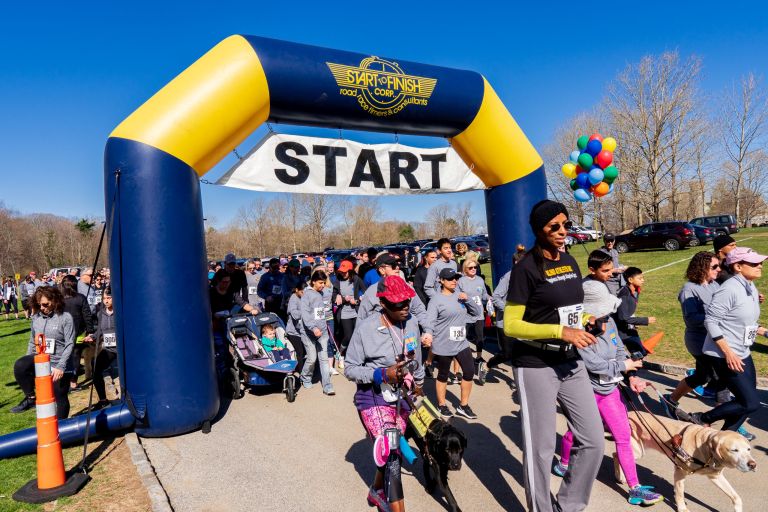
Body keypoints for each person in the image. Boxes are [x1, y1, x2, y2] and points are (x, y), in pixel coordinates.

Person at [503, 199, 604, 512]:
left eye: (566, 225)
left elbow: (568, 309)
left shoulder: (570, 261)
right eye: (554, 227)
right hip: (535, 364)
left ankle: (569, 505)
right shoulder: (525, 269)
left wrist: (586, 320)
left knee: (594, 440)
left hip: (570, 361)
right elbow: (511, 324)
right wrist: (561, 331)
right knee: (541, 449)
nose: (562, 232)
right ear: (539, 231)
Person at [553, 263, 663, 506]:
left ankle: (634, 488)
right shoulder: (577, 332)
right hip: (587, 392)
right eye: (601, 312)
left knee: (623, 435)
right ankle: (563, 462)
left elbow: (618, 350)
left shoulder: (610, 323)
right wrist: (624, 368)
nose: (605, 317)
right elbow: (594, 366)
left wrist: (631, 376)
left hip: (610, 391)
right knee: (577, 433)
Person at [344, 275, 427, 512]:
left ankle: (376, 491)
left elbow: (415, 358)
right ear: (383, 304)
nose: (405, 308)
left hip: (401, 398)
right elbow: (349, 368)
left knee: (391, 451)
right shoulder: (366, 329)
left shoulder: (411, 322)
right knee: (392, 457)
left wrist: (418, 384)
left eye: (407, 302)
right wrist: (381, 374)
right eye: (398, 304)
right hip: (373, 399)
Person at [685, 247, 767, 439]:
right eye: (754, 263)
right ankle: (701, 417)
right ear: (738, 266)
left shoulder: (749, 286)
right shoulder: (729, 289)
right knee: (751, 403)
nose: (760, 266)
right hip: (724, 354)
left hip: (743, 351)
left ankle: (723, 438)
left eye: (760, 262)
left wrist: (765, 332)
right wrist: (728, 353)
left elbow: (747, 322)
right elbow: (711, 321)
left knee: (747, 400)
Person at [662, 252, 728, 418]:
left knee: (702, 376)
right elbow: (691, 319)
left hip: (715, 339)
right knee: (721, 377)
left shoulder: (714, 285)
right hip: (700, 341)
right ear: (702, 268)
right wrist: (715, 318)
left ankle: (670, 399)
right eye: (714, 266)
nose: (719, 269)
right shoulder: (689, 289)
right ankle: (726, 418)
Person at [10, 286, 75, 418]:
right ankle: (31, 398)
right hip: (41, 360)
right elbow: (32, 341)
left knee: (59, 396)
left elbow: (70, 344)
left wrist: (60, 367)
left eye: (45, 304)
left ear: (55, 300)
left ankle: (61, 428)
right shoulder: (36, 318)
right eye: (39, 305)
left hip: (59, 364)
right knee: (20, 365)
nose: (42, 308)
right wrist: (29, 360)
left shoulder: (65, 317)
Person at [426, 267, 482, 419]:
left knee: (469, 371)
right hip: (444, 343)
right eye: (450, 279)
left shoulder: (460, 295)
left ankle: (463, 406)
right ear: (442, 281)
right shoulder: (436, 300)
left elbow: (477, 312)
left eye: (456, 278)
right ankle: (442, 404)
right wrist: (428, 334)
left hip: (461, 342)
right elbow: (429, 321)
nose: (454, 281)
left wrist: (468, 299)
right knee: (443, 374)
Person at [487, 244, 527, 372]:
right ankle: (488, 365)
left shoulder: (528, 277)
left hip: (523, 322)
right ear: (516, 262)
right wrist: (511, 310)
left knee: (523, 355)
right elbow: (495, 297)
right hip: (505, 323)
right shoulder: (508, 278)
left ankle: (521, 383)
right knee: (507, 354)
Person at [300, 270, 334, 395]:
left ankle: (327, 386)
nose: (322, 285)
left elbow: (321, 311)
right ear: (313, 281)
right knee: (312, 358)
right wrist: (313, 328)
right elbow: (305, 314)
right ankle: (305, 376)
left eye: (324, 283)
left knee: (324, 359)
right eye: (320, 283)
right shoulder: (307, 295)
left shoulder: (323, 292)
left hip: (323, 331)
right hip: (309, 332)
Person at [86, 286, 119, 409]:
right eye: (104, 298)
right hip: (109, 349)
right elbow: (99, 330)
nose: (106, 301)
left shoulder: (120, 311)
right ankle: (103, 400)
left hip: (123, 350)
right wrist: (93, 337)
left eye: (109, 297)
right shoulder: (101, 313)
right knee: (95, 366)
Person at [61, 275, 95, 390]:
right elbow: (87, 316)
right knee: (75, 355)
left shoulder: (61, 299)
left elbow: (87, 315)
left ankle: (69, 381)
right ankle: (72, 382)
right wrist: (90, 331)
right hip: (76, 332)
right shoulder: (80, 298)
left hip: (67, 332)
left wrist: (90, 331)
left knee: (69, 355)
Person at [613, 267, 656, 356]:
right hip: (621, 332)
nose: (643, 280)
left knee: (639, 353)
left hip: (628, 328)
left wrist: (633, 322)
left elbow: (628, 313)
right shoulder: (624, 295)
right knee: (638, 354)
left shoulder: (635, 291)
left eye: (643, 278)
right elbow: (623, 318)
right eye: (640, 278)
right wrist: (645, 320)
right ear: (630, 280)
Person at [332, 260, 364, 367]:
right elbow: (334, 296)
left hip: (356, 312)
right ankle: (340, 353)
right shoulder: (337, 281)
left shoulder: (356, 279)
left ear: (350, 271)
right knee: (348, 336)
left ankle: (354, 357)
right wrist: (339, 297)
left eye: (345, 272)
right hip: (344, 312)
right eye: (342, 271)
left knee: (357, 335)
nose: (343, 273)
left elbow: (366, 292)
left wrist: (358, 300)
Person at [457, 258, 488, 363]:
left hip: (479, 313)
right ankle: (463, 357)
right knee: (463, 337)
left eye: (475, 267)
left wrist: (490, 298)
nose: (474, 269)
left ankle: (479, 357)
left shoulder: (480, 280)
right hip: (466, 314)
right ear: (465, 269)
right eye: (471, 268)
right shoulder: (461, 281)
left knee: (480, 337)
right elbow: (457, 296)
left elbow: (484, 295)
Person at [286, 281, 307, 375]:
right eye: (302, 292)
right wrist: (306, 312)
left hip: (303, 330)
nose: (304, 294)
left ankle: (303, 370)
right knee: (299, 352)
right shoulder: (293, 299)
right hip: (294, 332)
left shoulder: (305, 297)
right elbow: (294, 314)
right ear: (297, 290)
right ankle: (301, 373)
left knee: (305, 352)